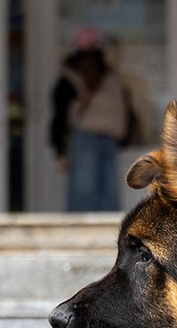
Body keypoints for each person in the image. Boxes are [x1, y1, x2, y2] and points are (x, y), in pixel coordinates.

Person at [49, 26, 153, 213]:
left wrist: (60, 149)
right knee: (106, 193)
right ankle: (106, 227)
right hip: (106, 137)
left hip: (89, 137)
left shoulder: (71, 78)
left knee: (85, 193)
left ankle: (82, 227)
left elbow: (60, 116)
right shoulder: (109, 77)